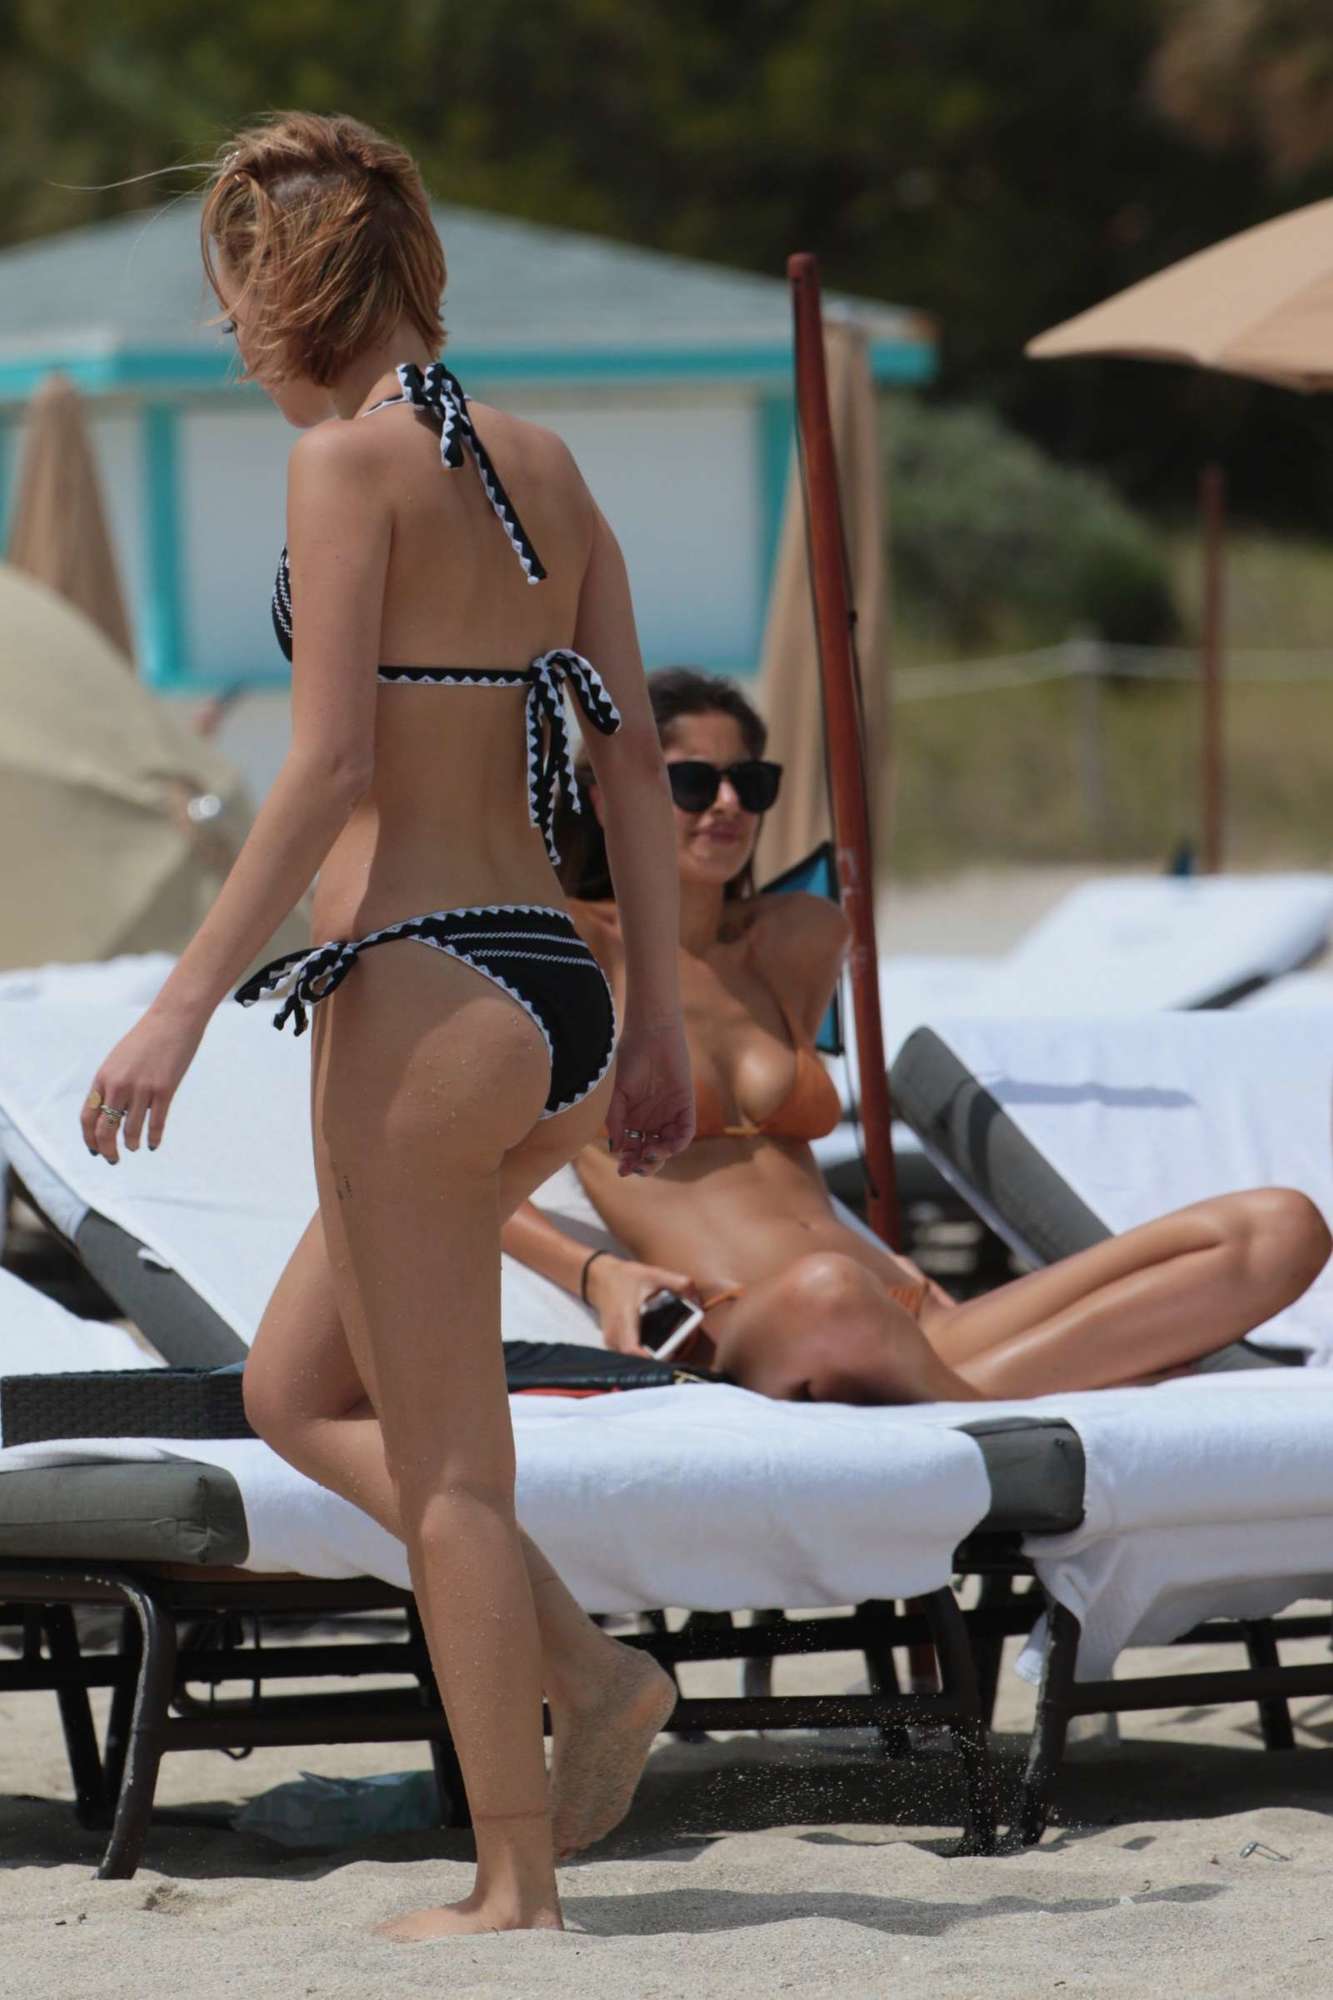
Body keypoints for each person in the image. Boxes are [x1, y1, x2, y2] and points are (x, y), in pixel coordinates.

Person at [79, 113, 694, 1940]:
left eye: (236, 311)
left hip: (423, 986)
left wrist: (180, 1007)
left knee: (448, 1467)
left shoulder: (343, 465)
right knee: (294, 1390)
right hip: (558, 991)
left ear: (293, 296)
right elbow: (633, 766)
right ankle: (587, 1674)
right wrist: (658, 1026)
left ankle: (514, 1884)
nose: (236, 349)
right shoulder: (546, 466)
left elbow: (332, 761)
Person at [501, 667, 1333, 1402]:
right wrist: (596, 1273)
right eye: (691, 782)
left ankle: (960, 1394)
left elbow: (784, 1169)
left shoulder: (796, 939)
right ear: (609, 797)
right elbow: (468, 1175)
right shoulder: (574, 951)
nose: (727, 805)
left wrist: (897, 1283)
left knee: (1281, 1226)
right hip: (760, 1320)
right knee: (828, 1289)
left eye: (748, 782)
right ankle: (1017, 1393)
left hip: (908, 1310)